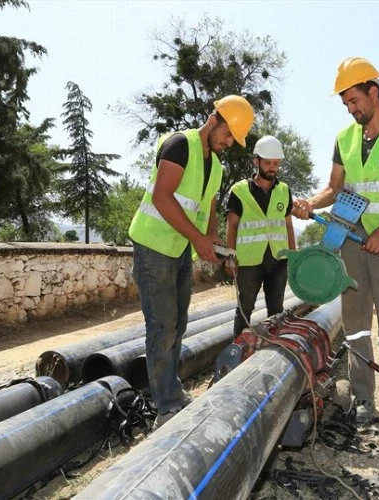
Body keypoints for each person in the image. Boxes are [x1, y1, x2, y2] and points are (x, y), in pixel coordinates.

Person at [292, 57, 379, 444]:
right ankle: (363, 399)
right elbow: (334, 189)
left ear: (374, 91)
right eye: (346, 104)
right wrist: (309, 203)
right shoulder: (344, 139)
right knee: (354, 323)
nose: (351, 109)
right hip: (349, 238)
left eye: (355, 100)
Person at [128, 95, 255, 429]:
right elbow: (162, 196)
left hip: (179, 248)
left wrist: (214, 241)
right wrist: (197, 239)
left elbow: (207, 209)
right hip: (153, 247)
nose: (229, 143)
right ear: (215, 119)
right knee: (162, 327)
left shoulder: (215, 164)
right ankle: (166, 405)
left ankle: (171, 391)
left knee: (178, 324)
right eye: (228, 134)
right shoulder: (178, 145)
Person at [225, 135, 296, 337]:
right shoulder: (239, 191)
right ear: (256, 162)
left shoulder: (284, 191)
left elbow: (288, 225)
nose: (272, 167)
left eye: (276, 163)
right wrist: (230, 257)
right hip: (248, 261)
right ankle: (237, 353)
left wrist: (293, 254)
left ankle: (272, 352)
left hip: (278, 260)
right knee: (244, 310)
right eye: (268, 163)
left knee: (277, 311)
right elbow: (232, 225)